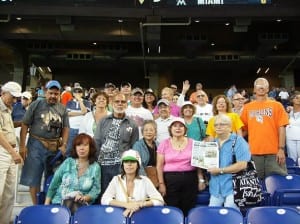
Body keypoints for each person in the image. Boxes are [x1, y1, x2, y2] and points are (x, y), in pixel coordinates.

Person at [19, 80, 70, 204]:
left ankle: (48, 205)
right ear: (45, 92)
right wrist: (22, 146)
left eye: (56, 93)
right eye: (51, 93)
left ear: (59, 94)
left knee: (53, 178)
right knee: (33, 178)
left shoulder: (62, 109)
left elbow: (66, 128)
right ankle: (36, 206)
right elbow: (25, 125)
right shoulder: (35, 104)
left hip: (54, 146)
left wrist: (63, 145)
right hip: (36, 144)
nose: (53, 96)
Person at [240, 77, 289, 179]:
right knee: (256, 185)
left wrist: (281, 149)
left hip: (274, 152)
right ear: (254, 89)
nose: (261, 87)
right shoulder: (247, 107)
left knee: (276, 182)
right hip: (254, 152)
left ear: (268, 89)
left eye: (264, 86)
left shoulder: (277, 106)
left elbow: (282, 128)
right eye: (258, 85)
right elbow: (243, 130)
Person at [156, 117, 203, 216]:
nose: (178, 128)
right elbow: (159, 166)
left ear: (185, 129)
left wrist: (201, 180)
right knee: (172, 210)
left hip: (190, 179)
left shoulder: (193, 143)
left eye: (181, 126)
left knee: (188, 209)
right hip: (170, 181)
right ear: (170, 129)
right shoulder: (164, 143)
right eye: (175, 126)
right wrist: (161, 184)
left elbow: (198, 164)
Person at [94, 93, 139, 193]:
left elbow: (133, 147)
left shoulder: (132, 124)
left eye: (123, 102)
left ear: (126, 104)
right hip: (102, 165)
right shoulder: (103, 121)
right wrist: (95, 162)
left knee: (120, 193)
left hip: (121, 166)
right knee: (104, 194)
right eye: (117, 101)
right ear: (111, 103)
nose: (120, 104)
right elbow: (96, 142)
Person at [45, 134, 101, 210]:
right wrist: (47, 204)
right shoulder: (68, 162)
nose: (81, 148)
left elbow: (96, 190)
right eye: (79, 145)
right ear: (75, 148)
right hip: (60, 203)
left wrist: (84, 198)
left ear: (90, 148)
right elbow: (54, 183)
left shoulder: (95, 167)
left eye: (85, 145)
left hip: (82, 205)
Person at [101, 149, 164, 218]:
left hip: (140, 218)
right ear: (123, 164)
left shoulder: (145, 180)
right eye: (126, 161)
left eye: (133, 161)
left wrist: (139, 204)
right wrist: (126, 205)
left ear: (138, 165)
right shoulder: (116, 180)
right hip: (119, 217)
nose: (129, 164)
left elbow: (160, 201)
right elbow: (104, 199)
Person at [206, 114, 251, 210]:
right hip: (215, 188)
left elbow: (242, 165)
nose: (218, 127)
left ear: (229, 127)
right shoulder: (213, 143)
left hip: (234, 187)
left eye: (222, 124)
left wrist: (220, 170)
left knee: (231, 216)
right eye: (216, 125)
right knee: (212, 216)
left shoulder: (239, 141)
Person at [0, 81, 24, 224]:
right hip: (3, 150)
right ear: (3, 93)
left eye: (16, 97)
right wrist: (13, 152)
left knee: (9, 193)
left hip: (10, 150)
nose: (15, 100)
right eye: (12, 97)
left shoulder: (8, 108)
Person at [66, 86, 91, 155]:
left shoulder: (87, 102)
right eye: (75, 92)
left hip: (83, 129)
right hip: (72, 128)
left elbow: (85, 112)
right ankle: (67, 162)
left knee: (82, 147)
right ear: (73, 93)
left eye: (79, 92)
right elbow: (68, 114)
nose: (77, 93)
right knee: (69, 147)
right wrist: (80, 113)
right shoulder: (69, 102)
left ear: (82, 94)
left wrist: (80, 100)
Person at [286, 91, 300, 163]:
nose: (299, 99)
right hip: (290, 138)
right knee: (292, 159)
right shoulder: (288, 112)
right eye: (297, 98)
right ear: (292, 100)